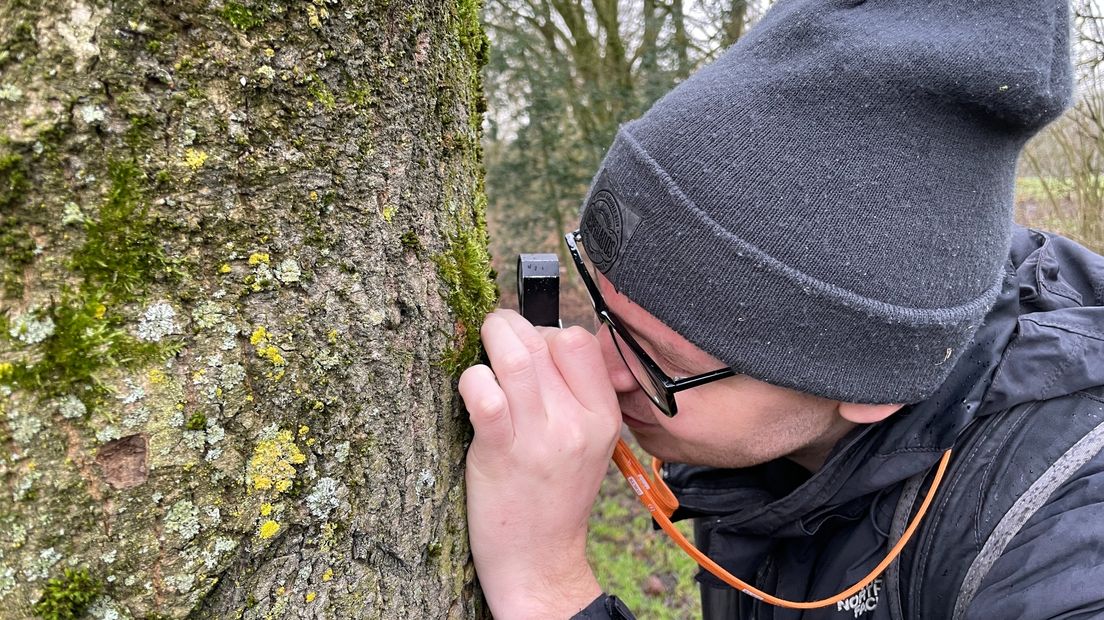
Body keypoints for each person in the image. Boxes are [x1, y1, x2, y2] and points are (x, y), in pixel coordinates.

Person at [460, 0, 1104, 618]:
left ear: (872, 385)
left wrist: (546, 588)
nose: (598, 367)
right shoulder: (778, 416)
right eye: (602, 306)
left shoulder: (1064, 539)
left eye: (657, 361)